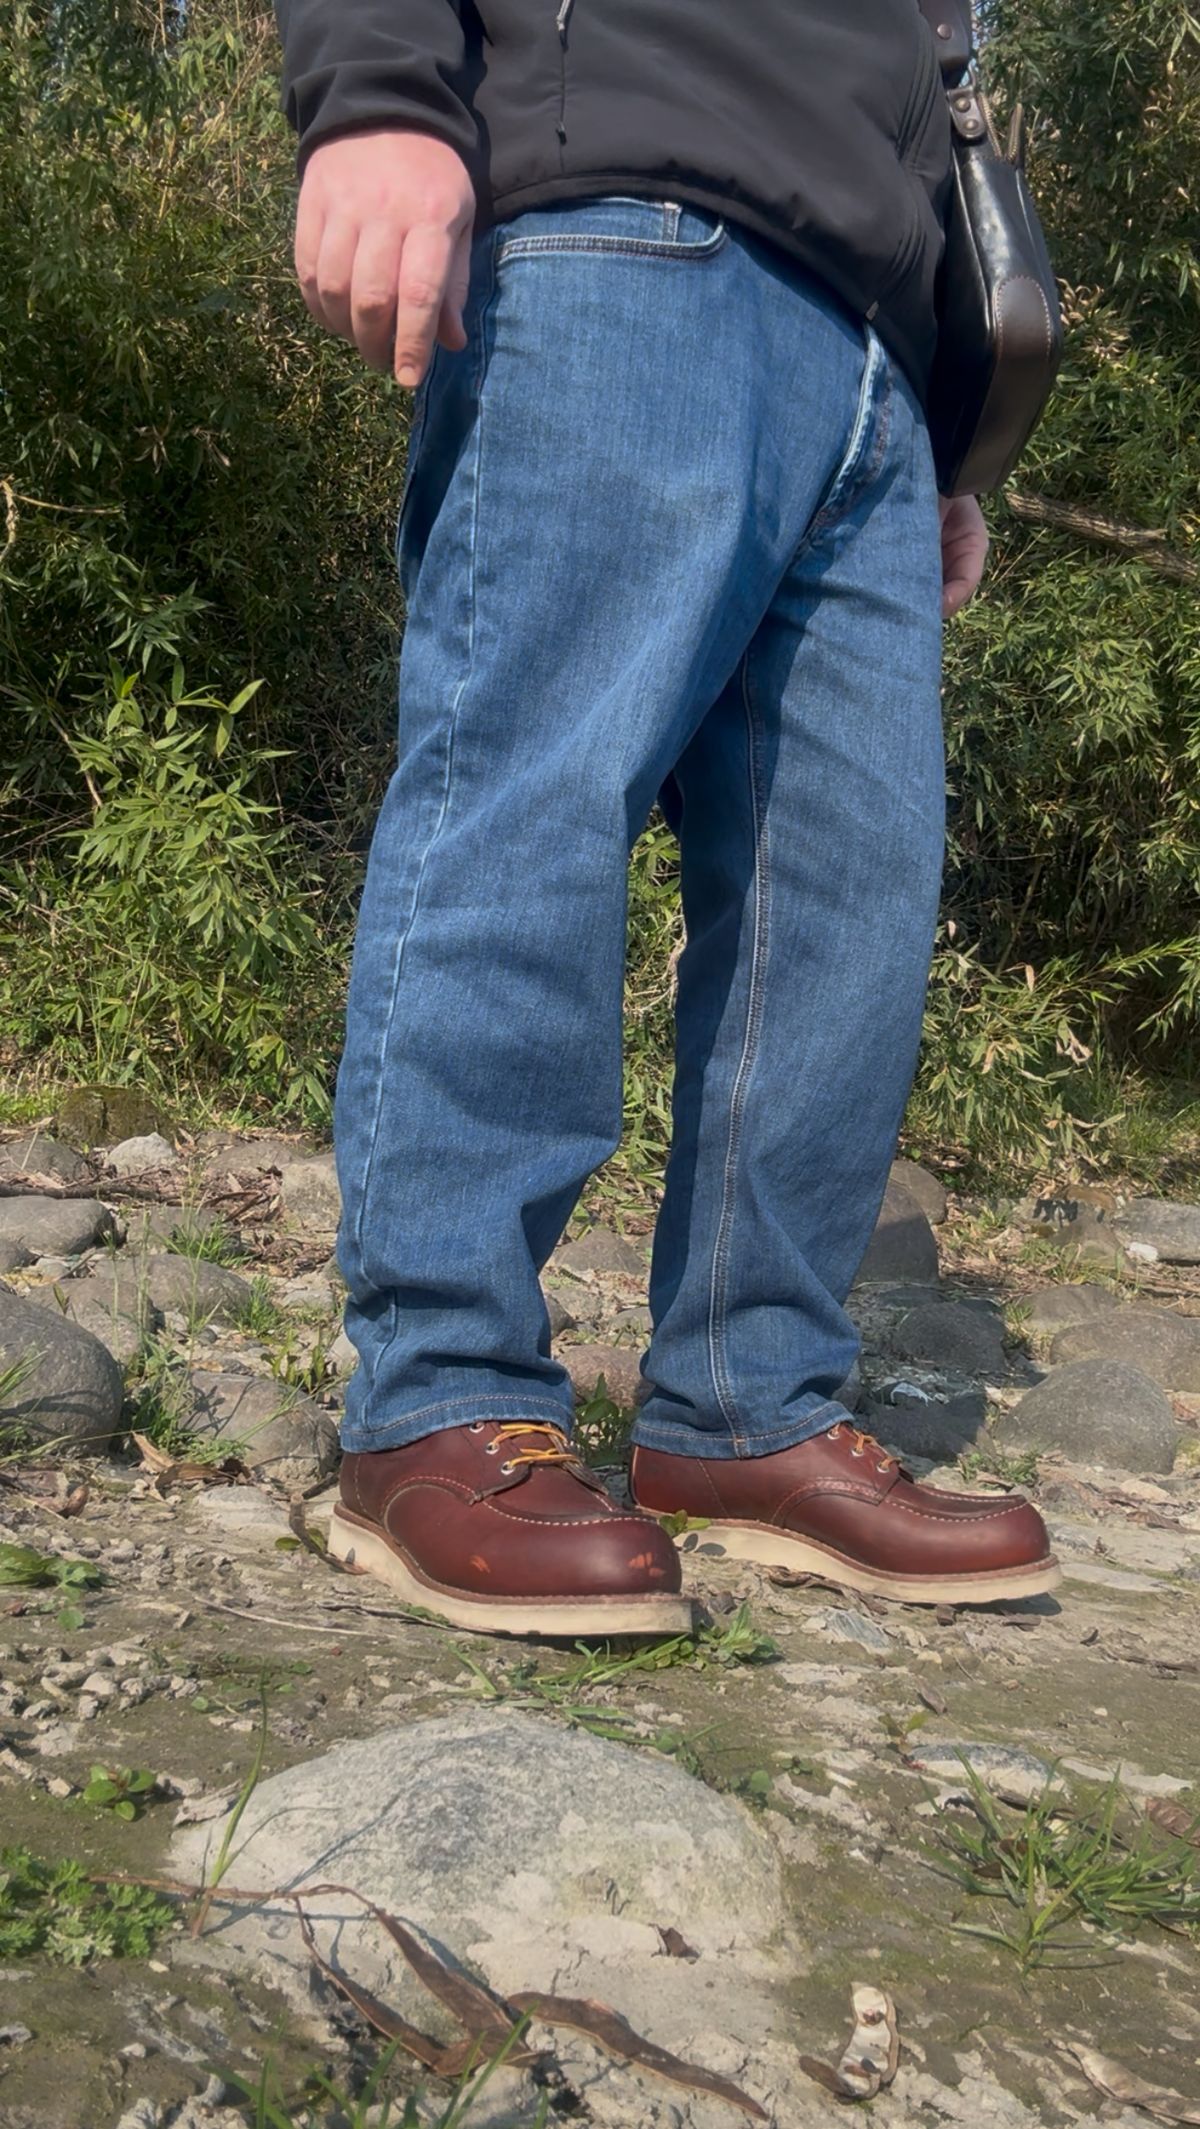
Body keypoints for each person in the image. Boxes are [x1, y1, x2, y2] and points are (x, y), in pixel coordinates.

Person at [274, 0, 1059, 1637]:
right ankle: (437, 1392)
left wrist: (942, 422)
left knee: (845, 900)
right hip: (625, 217)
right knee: (531, 801)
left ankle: (749, 1406)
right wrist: (377, 91)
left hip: (874, 354)